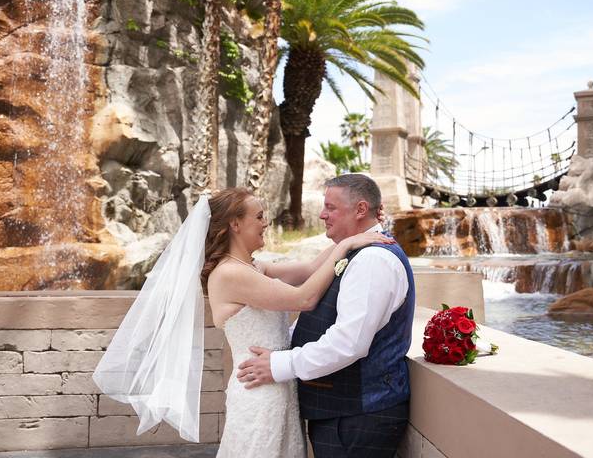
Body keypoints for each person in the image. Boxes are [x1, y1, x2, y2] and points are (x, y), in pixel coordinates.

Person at [93, 186, 393, 458]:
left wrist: (356, 235)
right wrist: (345, 246)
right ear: (235, 224)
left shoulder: (251, 267)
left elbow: (310, 268)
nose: (266, 223)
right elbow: (304, 298)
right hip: (259, 395)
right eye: (259, 216)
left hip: (278, 388)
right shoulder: (229, 274)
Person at [237, 174, 416, 458]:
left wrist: (279, 364)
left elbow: (348, 343)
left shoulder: (372, 260)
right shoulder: (351, 250)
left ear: (359, 210)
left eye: (331, 207)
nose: (322, 214)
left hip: (358, 415)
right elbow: (309, 277)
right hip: (343, 412)